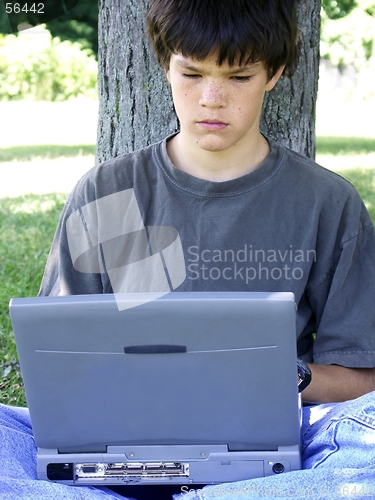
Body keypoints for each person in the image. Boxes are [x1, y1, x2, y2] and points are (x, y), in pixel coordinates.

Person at [1, 0, 375, 499]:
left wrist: (283, 376)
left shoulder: (326, 202)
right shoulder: (111, 193)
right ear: (165, 66)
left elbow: (360, 383)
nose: (212, 99)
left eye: (239, 77)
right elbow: (56, 371)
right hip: (122, 447)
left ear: (275, 73)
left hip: (273, 451)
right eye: (193, 74)